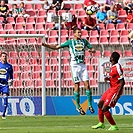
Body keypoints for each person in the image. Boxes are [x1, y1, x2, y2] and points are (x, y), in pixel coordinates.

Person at [42, 27, 95, 115]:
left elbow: (92, 49)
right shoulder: (70, 42)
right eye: (78, 32)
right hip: (74, 66)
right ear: (74, 34)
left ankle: (90, 105)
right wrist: (46, 45)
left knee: (87, 85)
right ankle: (78, 106)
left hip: (82, 65)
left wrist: (92, 50)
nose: (80, 34)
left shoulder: (84, 41)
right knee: (77, 86)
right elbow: (57, 47)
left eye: (80, 32)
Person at [92, 51, 125, 131]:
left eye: (110, 56)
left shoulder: (117, 67)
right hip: (111, 89)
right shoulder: (113, 67)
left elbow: (122, 81)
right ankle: (101, 123)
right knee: (100, 104)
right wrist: (108, 78)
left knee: (105, 108)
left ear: (112, 58)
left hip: (115, 90)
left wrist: (117, 95)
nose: (109, 58)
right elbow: (114, 78)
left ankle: (114, 126)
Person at [0, 52, 13, 119]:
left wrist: (11, 80)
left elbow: (11, 76)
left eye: (5, 56)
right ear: (1, 57)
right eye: (3, 56)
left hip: (5, 85)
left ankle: (3, 114)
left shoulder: (9, 66)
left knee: (5, 99)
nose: (4, 57)